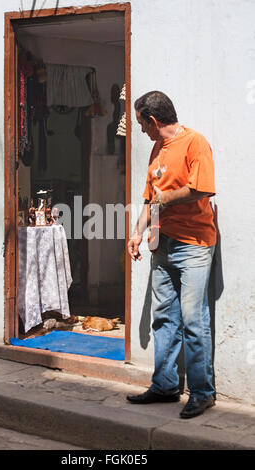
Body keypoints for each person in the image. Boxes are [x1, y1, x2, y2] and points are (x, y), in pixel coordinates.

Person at [126, 91, 216, 419]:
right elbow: (151, 198)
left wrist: (167, 200)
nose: (140, 130)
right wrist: (137, 232)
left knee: (193, 320)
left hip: (193, 244)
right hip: (160, 243)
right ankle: (164, 385)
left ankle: (203, 392)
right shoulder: (157, 148)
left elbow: (202, 188)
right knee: (163, 317)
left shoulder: (195, 143)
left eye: (140, 123)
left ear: (153, 120)